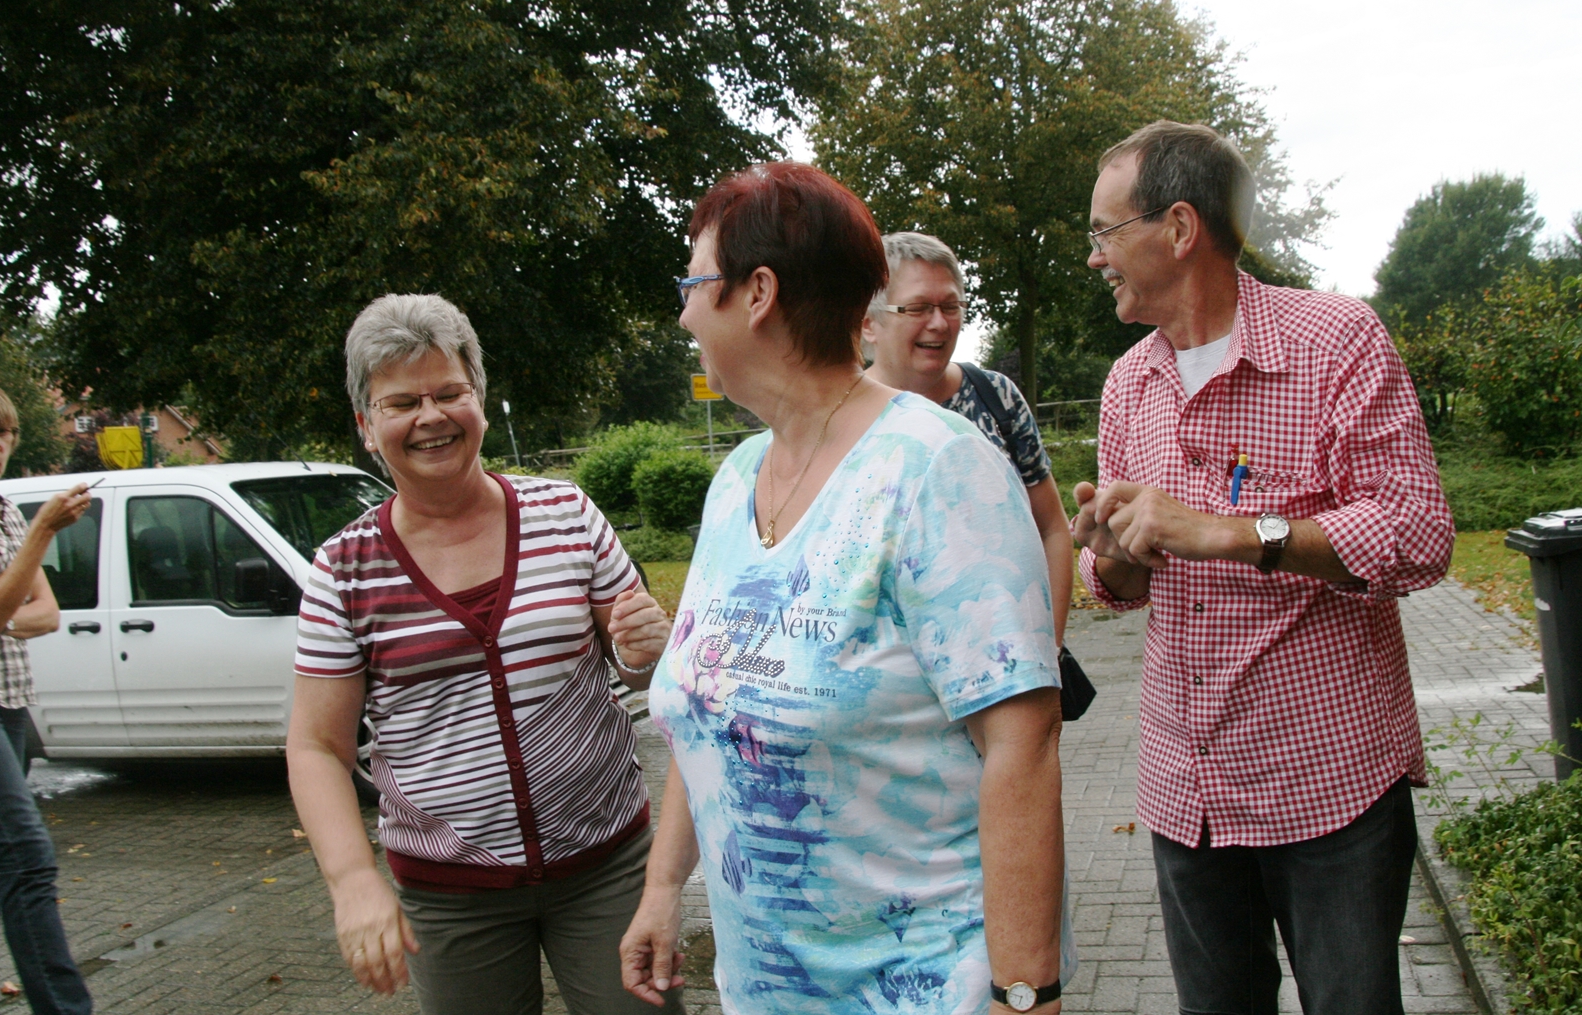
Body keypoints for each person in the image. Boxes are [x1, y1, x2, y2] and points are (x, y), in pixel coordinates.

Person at [619, 163, 1074, 1015]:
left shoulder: (937, 468)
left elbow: (1024, 742)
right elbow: (712, 704)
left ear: (758, 293)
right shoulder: (736, 479)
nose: (683, 314)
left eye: (693, 284)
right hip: (767, 991)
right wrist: (662, 887)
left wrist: (1026, 994)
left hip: (923, 989)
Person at [1072, 120, 1454, 1015]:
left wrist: (1229, 531)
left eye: (1104, 232)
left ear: (1178, 227)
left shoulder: (1336, 340)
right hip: (1188, 788)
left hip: (1329, 784)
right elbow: (1121, 589)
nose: (1094, 257)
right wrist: (1116, 557)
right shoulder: (1128, 384)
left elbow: (1418, 532)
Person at [286, 295, 676, 1015]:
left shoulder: (567, 514)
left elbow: (641, 664)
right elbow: (316, 746)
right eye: (402, 402)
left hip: (608, 867)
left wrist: (644, 649)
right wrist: (352, 881)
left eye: (449, 393)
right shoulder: (343, 571)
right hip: (450, 898)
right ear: (367, 426)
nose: (430, 416)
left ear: (480, 403)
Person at [861, 231, 1076, 655]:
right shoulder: (842, 418)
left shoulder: (996, 397)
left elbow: (1052, 528)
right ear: (869, 322)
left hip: (1010, 661)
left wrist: (1046, 648)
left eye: (951, 306)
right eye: (918, 308)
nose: (939, 323)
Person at [0, 379, 95, 1015]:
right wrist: (43, 532)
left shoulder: (3, 511)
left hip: (7, 701)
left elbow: (45, 613)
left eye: (3, 432)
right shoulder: (23, 522)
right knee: (27, 858)